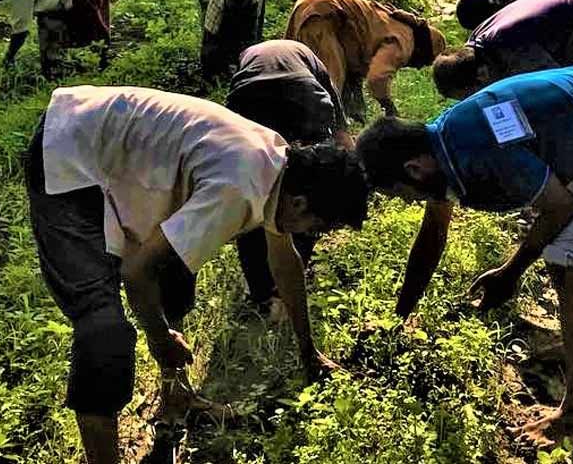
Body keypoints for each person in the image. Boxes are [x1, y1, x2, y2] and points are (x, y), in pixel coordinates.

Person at [25, 85, 368, 464]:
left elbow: (285, 264)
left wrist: (309, 353)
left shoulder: (277, 162)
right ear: (300, 203)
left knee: (175, 280)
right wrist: (160, 339)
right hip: (67, 150)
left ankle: (177, 396)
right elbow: (136, 273)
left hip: (106, 142)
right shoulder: (238, 188)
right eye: (314, 227)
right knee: (104, 330)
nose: (308, 236)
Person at [355, 66, 573, 448]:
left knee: (566, 259)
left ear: (413, 169)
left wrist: (510, 273)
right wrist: (399, 319)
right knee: (562, 247)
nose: (409, 202)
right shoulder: (439, 144)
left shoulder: (476, 146)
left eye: (401, 194)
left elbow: (559, 207)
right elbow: (432, 235)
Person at [226, 39, 354, 315]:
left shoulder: (248, 56)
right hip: (303, 94)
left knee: (254, 193)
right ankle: (290, 276)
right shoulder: (308, 57)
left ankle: (261, 292)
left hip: (250, 98)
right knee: (312, 192)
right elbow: (337, 118)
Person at [433, 0, 573, 100]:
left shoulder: (513, 48)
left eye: (469, 96)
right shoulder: (477, 47)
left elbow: (553, 88)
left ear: (482, 74)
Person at [285, 0, 447, 120]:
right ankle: (320, 131)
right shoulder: (403, 42)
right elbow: (377, 78)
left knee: (300, 70)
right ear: (423, 51)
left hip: (313, 3)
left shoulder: (400, 27)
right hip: (324, 12)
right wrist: (388, 106)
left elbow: (353, 60)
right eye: (425, 62)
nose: (418, 68)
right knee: (328, 86)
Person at [195, 0, 267, 79]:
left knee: (248, 31)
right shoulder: (217, 0)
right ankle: (219, 66)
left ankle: (247, 62)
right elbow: (210, 35)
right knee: (215, 33)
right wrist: (210, 71)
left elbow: (254, 27)